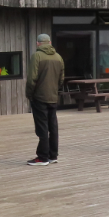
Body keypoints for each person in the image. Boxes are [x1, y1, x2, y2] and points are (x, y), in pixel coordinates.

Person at [25, 33, 65, 166]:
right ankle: (53, 155)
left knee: (42, 127)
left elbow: (32, 79)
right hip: (53, 97)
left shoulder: (37, 56)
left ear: (38, 43)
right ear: (50, 43)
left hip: (39, 97)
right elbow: (61, 79)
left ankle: (42, 157)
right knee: (53, 126)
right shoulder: (58, 57)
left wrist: (29, 94)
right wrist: (55, 90)